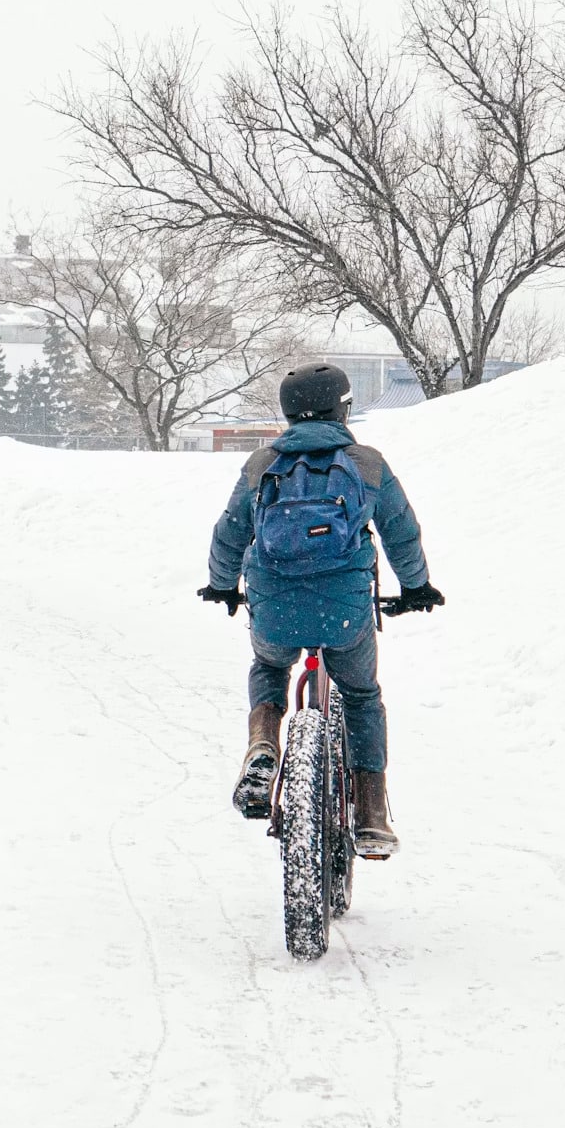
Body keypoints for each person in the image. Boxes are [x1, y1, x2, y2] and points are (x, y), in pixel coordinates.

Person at [196, 362, 442, 857]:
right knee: (360, 695)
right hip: (345, 612)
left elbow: (229, 533)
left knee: (269, 664)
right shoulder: (367, 463)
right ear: (342, 409)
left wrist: (222, 586)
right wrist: (416, 587)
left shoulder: (261, 464)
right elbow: (401, 532)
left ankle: (264, 744)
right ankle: (371, 814)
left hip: (273, 606)